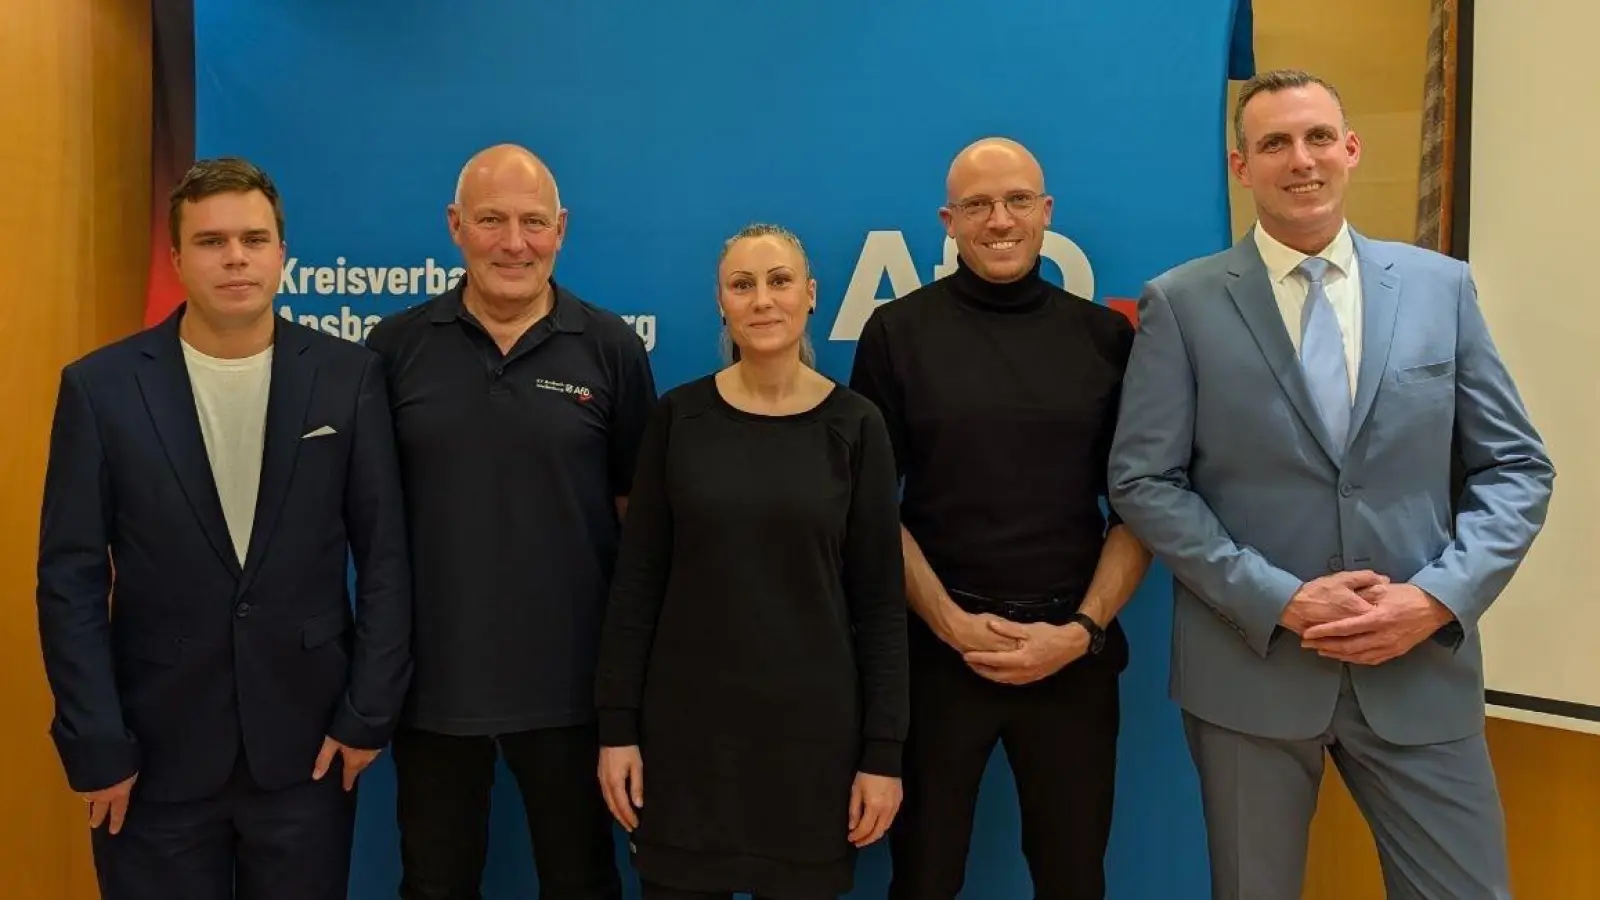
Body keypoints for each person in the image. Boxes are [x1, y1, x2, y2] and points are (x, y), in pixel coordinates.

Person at [1108, 68, 1556, 899]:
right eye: (1273, 143)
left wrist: (1434, 600)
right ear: (1242, 169)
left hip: (1418, 669)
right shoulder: (1183, 302)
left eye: (1318, 138)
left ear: (1350, 150)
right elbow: (1145, 481)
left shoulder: (1440, 288)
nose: (1300, 160)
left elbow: (1517, 467)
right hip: (1252, 671)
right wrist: (1277, 597)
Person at [35, 156, 413, 900]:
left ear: (282, 253)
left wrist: (369, 711)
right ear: (177, 259)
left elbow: (387, 557)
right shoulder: (100, 389)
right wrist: (96, 743)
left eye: (253, 238)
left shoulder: (348, 377)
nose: (235, 257)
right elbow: (68, 582)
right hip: (149, 758)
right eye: (210, 242)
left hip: (308, 752)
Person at [847, 138, 1152, 900]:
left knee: (1074, 877)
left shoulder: (1106, 339)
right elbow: (867, 508)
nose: (1000, 220)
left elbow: (1142, 509)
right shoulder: (896, 333)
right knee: (922, 879)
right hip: (937, 661)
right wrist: (950, 623)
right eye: (978, 205)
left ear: (1047, 213)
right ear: (949, 221)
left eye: (1018, 200)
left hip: (1070, 659)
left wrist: (1081, 632)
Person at [364, 143, 655, 900]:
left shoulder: (612, 348)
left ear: (561, 229)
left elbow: (638, 523)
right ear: (455, 226)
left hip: (571, 684)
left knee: (583, 881)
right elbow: (367, 520)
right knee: (434, 882)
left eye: (532, 222)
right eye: (491, 220)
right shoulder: (392, 350)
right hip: (432, 686)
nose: (514, 242)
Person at [593, 224, 908, 900]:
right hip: (686, 750)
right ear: (721, 302)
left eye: (778, 281)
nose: (762, 300)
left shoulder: (856, 427)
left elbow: (880, 603)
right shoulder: (678, 420)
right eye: (743, 285)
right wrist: (617, 729)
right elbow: (637, 585)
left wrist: (883, 755)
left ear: (811, 295)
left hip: (811, 753)